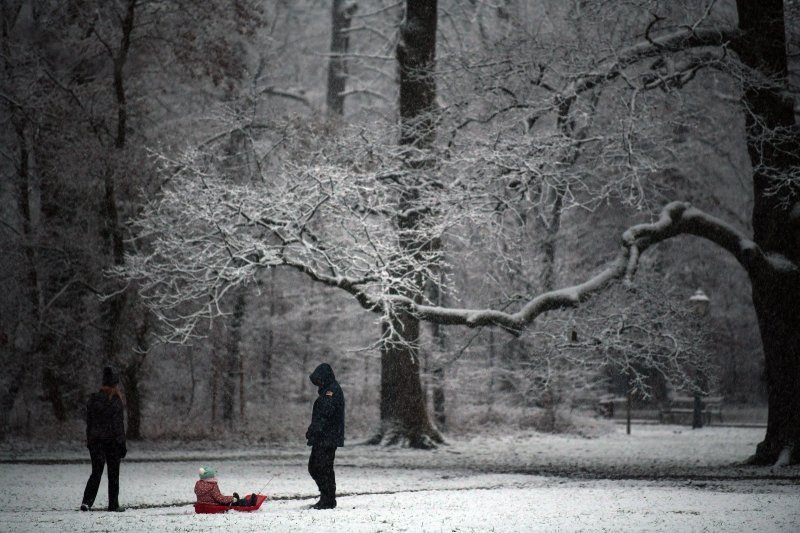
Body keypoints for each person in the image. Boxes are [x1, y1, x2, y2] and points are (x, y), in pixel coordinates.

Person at [80, 366, 127, 512]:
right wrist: (122, 444)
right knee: (113, 474)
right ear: (115, 385)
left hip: (96, 441)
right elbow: (118, 425)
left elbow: (89, 422)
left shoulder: (93, 399)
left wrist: (90, 440)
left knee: (96, 472)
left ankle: (87, 502)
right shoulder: (115, 401)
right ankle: (113, 504)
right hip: (112, 442)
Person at [305, 363, 345, 510]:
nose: (318, 383)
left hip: (327, 438)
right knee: (318, 467)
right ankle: (326, 498)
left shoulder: (331, 391)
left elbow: (324, 415)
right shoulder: (328, 390)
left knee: (321, 468)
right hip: (324, 437)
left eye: (319, 380)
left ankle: (328, 500)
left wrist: (313, 430)